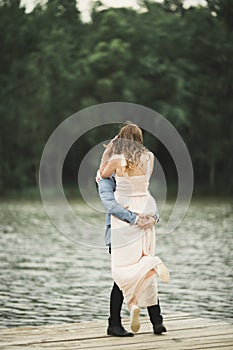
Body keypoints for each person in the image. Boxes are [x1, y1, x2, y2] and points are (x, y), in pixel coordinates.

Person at [97, 123, 169, 336]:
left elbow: (102, 174)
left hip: (125, 221)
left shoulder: (116, 161)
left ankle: (116, 322)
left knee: (122, 273)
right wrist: (153, 216)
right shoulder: (149, 158)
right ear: (139, 139)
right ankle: (156, 321)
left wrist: (110, 151)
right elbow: (144, 189)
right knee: (143, 266)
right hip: (144, 210)